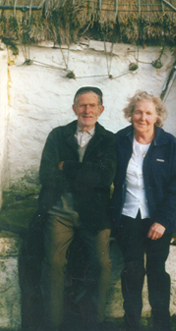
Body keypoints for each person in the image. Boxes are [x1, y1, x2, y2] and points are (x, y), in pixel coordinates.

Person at [37, 86, 117, 331]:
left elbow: (104, 178)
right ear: (74, 108)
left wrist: (67, 166)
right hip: (60, 210)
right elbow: (47, 175)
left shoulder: (109, 140)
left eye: (93, 105)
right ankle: (54, 323)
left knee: (103, 265)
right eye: (82, 105)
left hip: (94, 212)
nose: (87, 110)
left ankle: (96, 320)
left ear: (101, 110)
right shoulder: (57, 136)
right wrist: (84, 176)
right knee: (53, 263)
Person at [111, 91, 176, 331]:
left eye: (148, 113)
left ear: (157, 117)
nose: (142, 117)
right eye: (138, 112)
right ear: (130, 114)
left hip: (158, 218)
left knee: (157, 271)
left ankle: (161, 324)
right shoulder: (119, 140)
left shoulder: (169, 144)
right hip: (128, 216)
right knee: (132, 270)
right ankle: (132, 324)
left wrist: (163, 220)